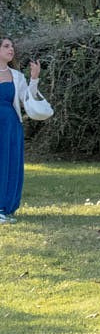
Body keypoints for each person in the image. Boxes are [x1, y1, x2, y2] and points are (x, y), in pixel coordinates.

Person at [0, 38, 51, 223]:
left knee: (10, 163)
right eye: (6, 46)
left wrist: (34, 78)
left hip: (10, 126)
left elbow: (27, 98)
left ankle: (5, 208)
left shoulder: (16, 76)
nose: (11, 49)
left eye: (12, 46)